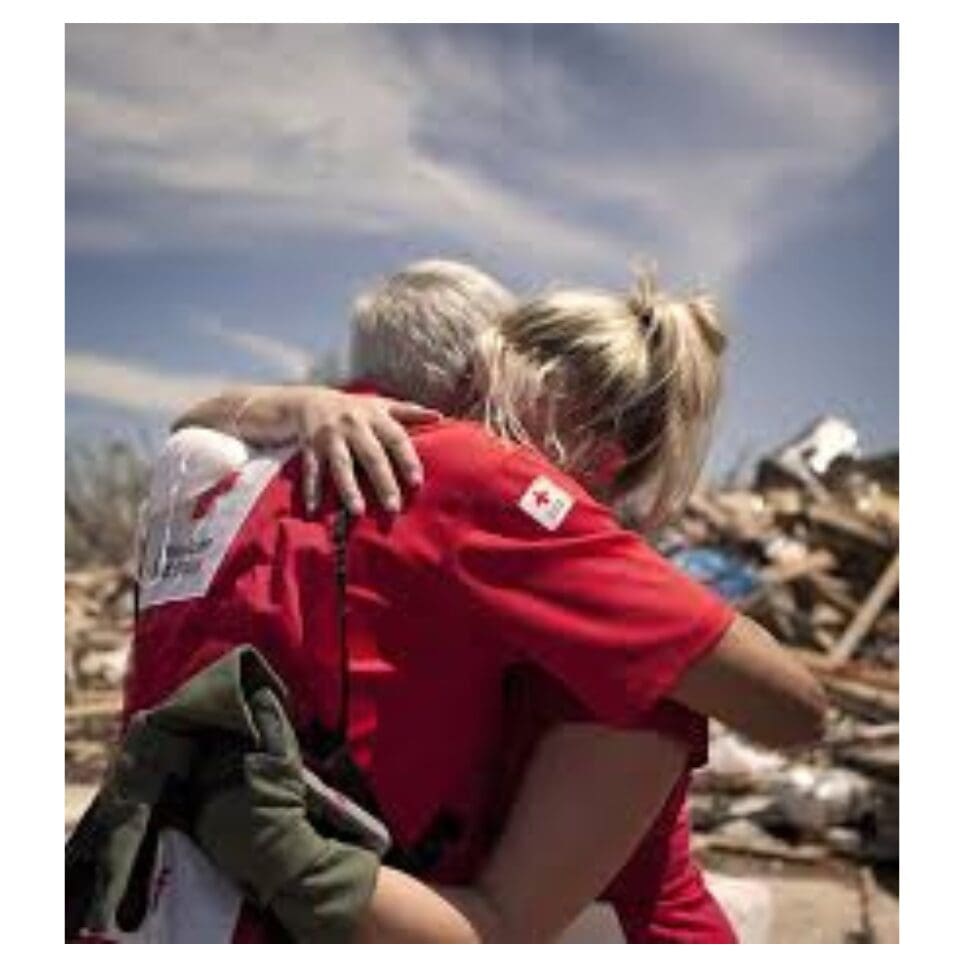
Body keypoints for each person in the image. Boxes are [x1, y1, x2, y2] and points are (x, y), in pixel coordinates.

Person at [129, 260, 824, 942]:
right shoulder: (467, 515)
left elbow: (500, 926)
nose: (472, 431)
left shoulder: (213, 469)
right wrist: (303, 402)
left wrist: (280, 845)